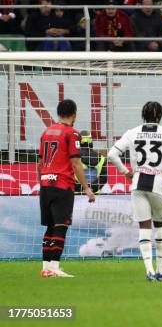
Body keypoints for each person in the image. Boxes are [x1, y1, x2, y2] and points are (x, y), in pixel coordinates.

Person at [107, 101, 162, 281]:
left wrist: (126, 172)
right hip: (159, 185)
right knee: (160, 227)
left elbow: (112, 154)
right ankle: (160, 271)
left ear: (143, 115)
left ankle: (149, 271)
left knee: (144, 227)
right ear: (160, 116)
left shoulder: (132, 132)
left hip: (138, 185)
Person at [39, 100, 96, 278]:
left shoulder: (46, 132)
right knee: (61, 225)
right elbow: (75, 162)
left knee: (50, 226)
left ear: (58, 113)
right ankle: (54, 267)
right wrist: (86, 187)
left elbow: (40, 163)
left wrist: (42, 182)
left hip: (46, 184)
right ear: (75, 114)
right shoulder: (72, 133)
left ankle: (46, 267)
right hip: (62, 184)